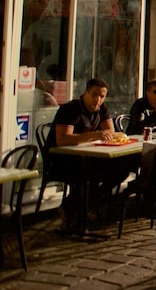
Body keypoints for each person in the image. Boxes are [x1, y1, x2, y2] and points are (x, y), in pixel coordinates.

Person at [47, 78, 131, 228]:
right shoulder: (70, 109)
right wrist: (95, 135)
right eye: (94, 95)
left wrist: (104, 135)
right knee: (91, 174)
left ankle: (80, 207)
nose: (98, 100)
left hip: (88, 156)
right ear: (85, 94)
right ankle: (76, 209)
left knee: (121, 169)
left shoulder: (102, 108)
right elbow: (62, 139)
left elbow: (110, 133)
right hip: (61, 160)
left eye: (102, 96)